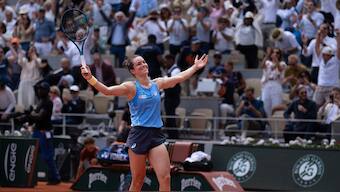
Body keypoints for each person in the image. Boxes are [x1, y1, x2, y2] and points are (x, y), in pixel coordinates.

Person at [81, 53, 208, 191]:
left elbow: (179, 78)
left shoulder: (157, 83)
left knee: (165, 178)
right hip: (139, 135)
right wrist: (90, 78)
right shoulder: (130, 87)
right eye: (138, 64)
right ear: (133, 71)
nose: (143, 65)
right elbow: (106, 91)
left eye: (144, 62)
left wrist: (195, 67)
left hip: (156, 135)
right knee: (138, 181)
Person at [30, 81, 61, 185]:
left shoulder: (48, 102)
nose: (39, 91)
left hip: (45, 132)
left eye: (42, 89)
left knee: (47, 156)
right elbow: (34, 86)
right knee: (32, 155)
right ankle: (31, 178)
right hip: (37, 131)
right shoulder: (41, 100)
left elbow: (40, 116)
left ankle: (55, 178)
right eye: (39, 89)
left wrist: (32, 114)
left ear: (46, 91)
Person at [163, 54, 181, 139]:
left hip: (172, 97)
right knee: (169, 117)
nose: (165, 63)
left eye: (167, 61)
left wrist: (165, 80)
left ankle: (174, 137)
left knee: (171, 117)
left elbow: (172, 83)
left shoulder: (176, 70)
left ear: (172, 61)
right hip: (168, 96)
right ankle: (171, 135)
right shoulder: (169, 70)